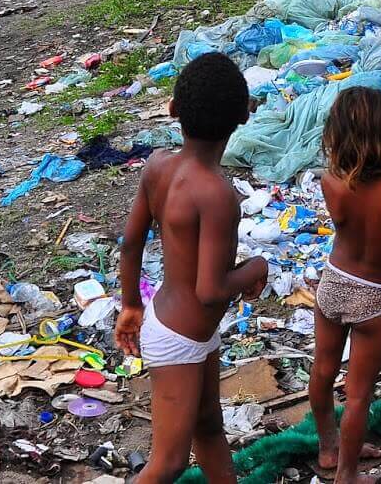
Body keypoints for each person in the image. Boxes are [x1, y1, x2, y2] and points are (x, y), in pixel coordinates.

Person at [115, 52, 268, 484]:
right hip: (181, 336)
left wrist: (130, 305)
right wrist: (257, 265)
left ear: (173, 109)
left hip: (186, 328)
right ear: (243, 117)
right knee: (169, 463)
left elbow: (130, 243)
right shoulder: (217, 195)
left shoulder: (159, 166)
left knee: (209, 427)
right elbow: (210, 290)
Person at [310, 87, 381, 483]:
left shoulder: (332, 183)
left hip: (333, 282)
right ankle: (347, 473)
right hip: (374, 298)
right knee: (358, 393)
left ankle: (328, 448)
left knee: (323, 370)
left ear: (335, 136)